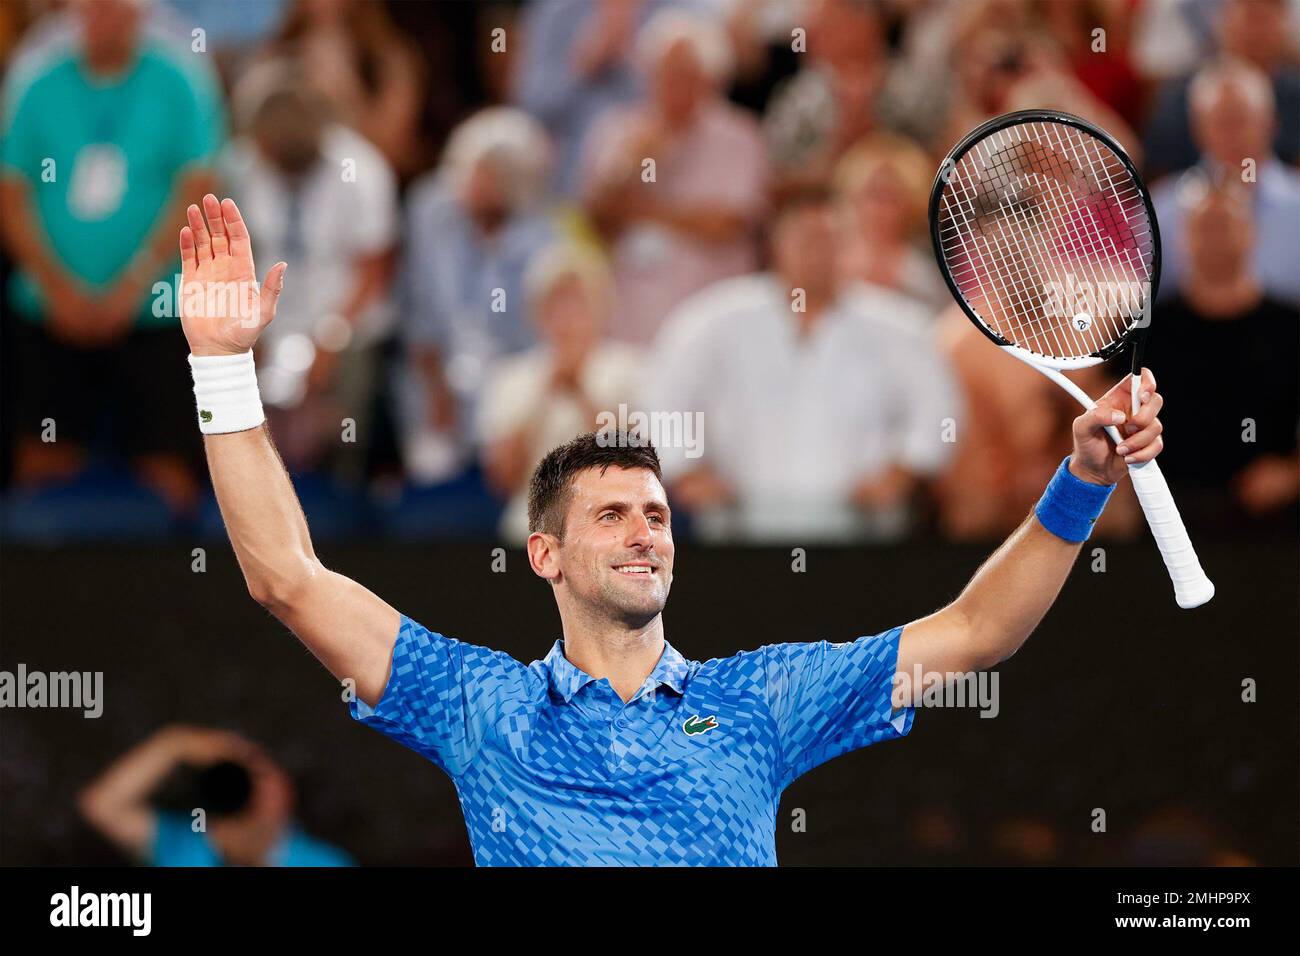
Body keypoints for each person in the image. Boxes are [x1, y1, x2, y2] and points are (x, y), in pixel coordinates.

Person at [175, 193, 1168, 866]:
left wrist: (1081, 478)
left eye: (655, 512)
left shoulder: (762, 697)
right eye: (611, 514)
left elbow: (973, 630)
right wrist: (222, 370)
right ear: (546, 555)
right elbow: (287, 578)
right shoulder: (477, 702)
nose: (646, 530)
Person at [0, 0, 223, 513]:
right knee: (44, 459)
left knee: (166, 463)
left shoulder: (179, 79)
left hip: (155, 312)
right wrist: (56, 287)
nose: (104, 18)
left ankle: (174, 575)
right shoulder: (38, 80)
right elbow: (14, 192)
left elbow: (198, 183)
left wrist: (135, 283)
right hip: (48, 314)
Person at [643, 189, 958, 543]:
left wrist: (904, 472)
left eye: (830, 238)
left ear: (848, 243)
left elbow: (938, 410)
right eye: (805, 238)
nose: (817, 252)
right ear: (776, 243)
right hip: (737, 537)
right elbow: (663, 400)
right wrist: (686, 472)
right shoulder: (712, 320)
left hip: (865, 538)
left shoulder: (899, 326)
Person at [222, 59, 397, 478]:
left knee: (344, 400)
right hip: (269, 321)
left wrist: (330, 340)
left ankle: (344, 489)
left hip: (343, 326)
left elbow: (374, 272)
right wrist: (248, 330)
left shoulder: (361, 170)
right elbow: (232, 260)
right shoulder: (241, 167)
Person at [581, 7, 768, 344]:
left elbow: (726, 225)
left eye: (685, 74)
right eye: (662, 72)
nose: (671, 85)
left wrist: (645, 211)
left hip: (713, 321)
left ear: (710, 79)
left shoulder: (740, 136)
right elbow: (597, 223)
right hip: (632, 322)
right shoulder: (619, 131)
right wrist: (631, 167)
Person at [1144, 179, 1299, 529]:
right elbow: (1112, 409)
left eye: (1224, 224)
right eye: (1204, 226)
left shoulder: (1290, 326)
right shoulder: (1148, 329)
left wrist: (1291, 474)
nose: (1215, 237)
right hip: (1165, 518)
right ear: (1184, 237)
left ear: (1252, 232)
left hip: (1275, 522)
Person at [478, 243, 643, 542]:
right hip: (531, 528)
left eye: (578, 302)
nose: (567, 315)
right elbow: (502, 478)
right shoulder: (511, 378)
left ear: (600, 308)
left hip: (610, 529)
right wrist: (544, 395)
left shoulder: (629, 369)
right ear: (537, 312)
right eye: (556, 304)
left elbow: (632, 463)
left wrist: (579, 391)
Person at [78, 724, 353, 866]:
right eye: (243, 780)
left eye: (263, 778)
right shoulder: (184, 842)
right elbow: (100, 806)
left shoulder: (325, 863)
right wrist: (176, 743)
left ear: (286, 791)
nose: (252, 791)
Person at [1152, 58, 1300, 307]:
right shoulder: (1161, 212)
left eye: (1242, 120)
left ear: (1272, 124)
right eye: (1221, 122)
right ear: (1197, 129)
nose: (1234, 135)